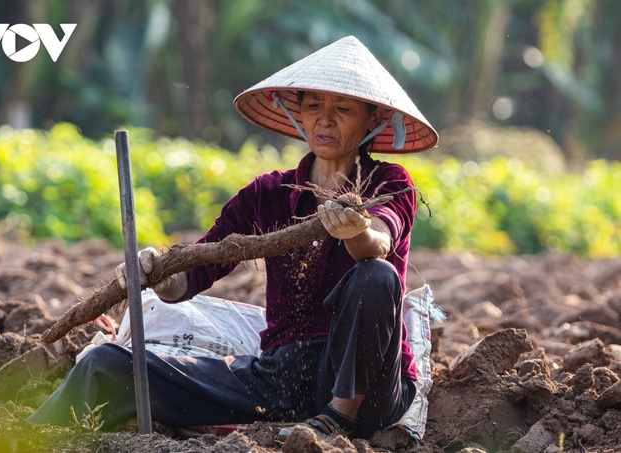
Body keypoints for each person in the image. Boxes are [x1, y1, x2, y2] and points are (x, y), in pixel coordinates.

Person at [27, 35, 438, 441]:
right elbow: (193, 274)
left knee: (376, 276)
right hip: (282, 377)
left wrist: (358, 231)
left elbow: (381, 240)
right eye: (314, 107)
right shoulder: (267, 194)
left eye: (342, 109)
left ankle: (337, 418)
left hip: (368, 392)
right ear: (299, 115)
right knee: (107, 363)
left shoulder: (388, 182)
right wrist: (156, 270)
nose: (325, 120)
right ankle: (22, 436)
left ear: (374, 119)